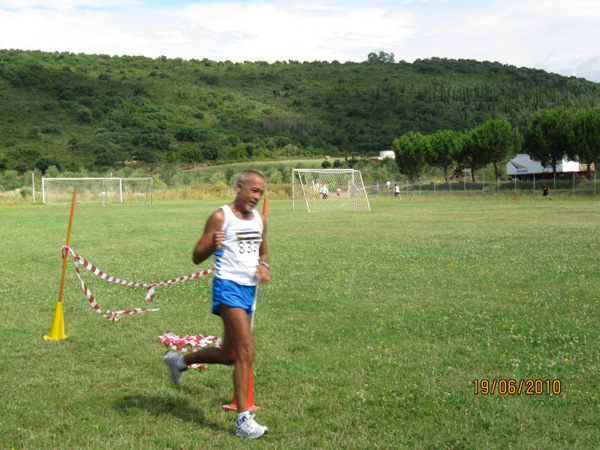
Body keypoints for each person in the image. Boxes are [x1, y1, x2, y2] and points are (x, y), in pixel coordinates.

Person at [163, 170, 271, 439]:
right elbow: (196, 257)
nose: (257, 197)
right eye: (254, 191)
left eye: (261, 193)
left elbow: (264, 250)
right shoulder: (221, 216)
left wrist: (264, 265)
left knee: (230, 356)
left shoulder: (259, 220)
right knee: (247, 351)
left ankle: (178, 360)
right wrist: (212, 244)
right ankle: (243, 422)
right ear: (240, 187)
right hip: (227, 288)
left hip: (249, 292)